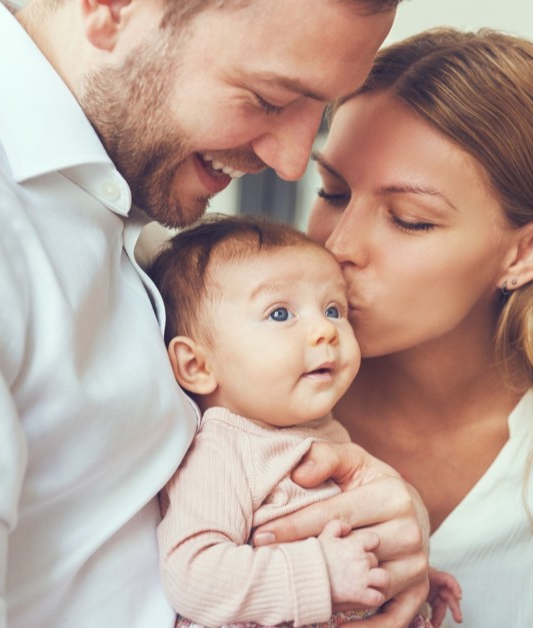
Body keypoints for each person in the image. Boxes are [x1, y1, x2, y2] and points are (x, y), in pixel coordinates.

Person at [0, 1, 431, 626]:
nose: (291, 160)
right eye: (270, 99)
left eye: (321, 111)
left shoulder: (126, 210)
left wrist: (379, 524)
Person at [267, 28, 533, 627]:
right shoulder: (243, 385)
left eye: (409, 220)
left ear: (527, 252)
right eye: (332, 192)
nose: (339, 245)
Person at [146, 215, 462, 628]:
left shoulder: (324, 434)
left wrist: (396, 575)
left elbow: (349, 535)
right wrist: (322, 574)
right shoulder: (221, 451)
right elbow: (192, 575)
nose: (324, 330)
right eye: (280, 313)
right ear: (197, 365)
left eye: (333, 309)